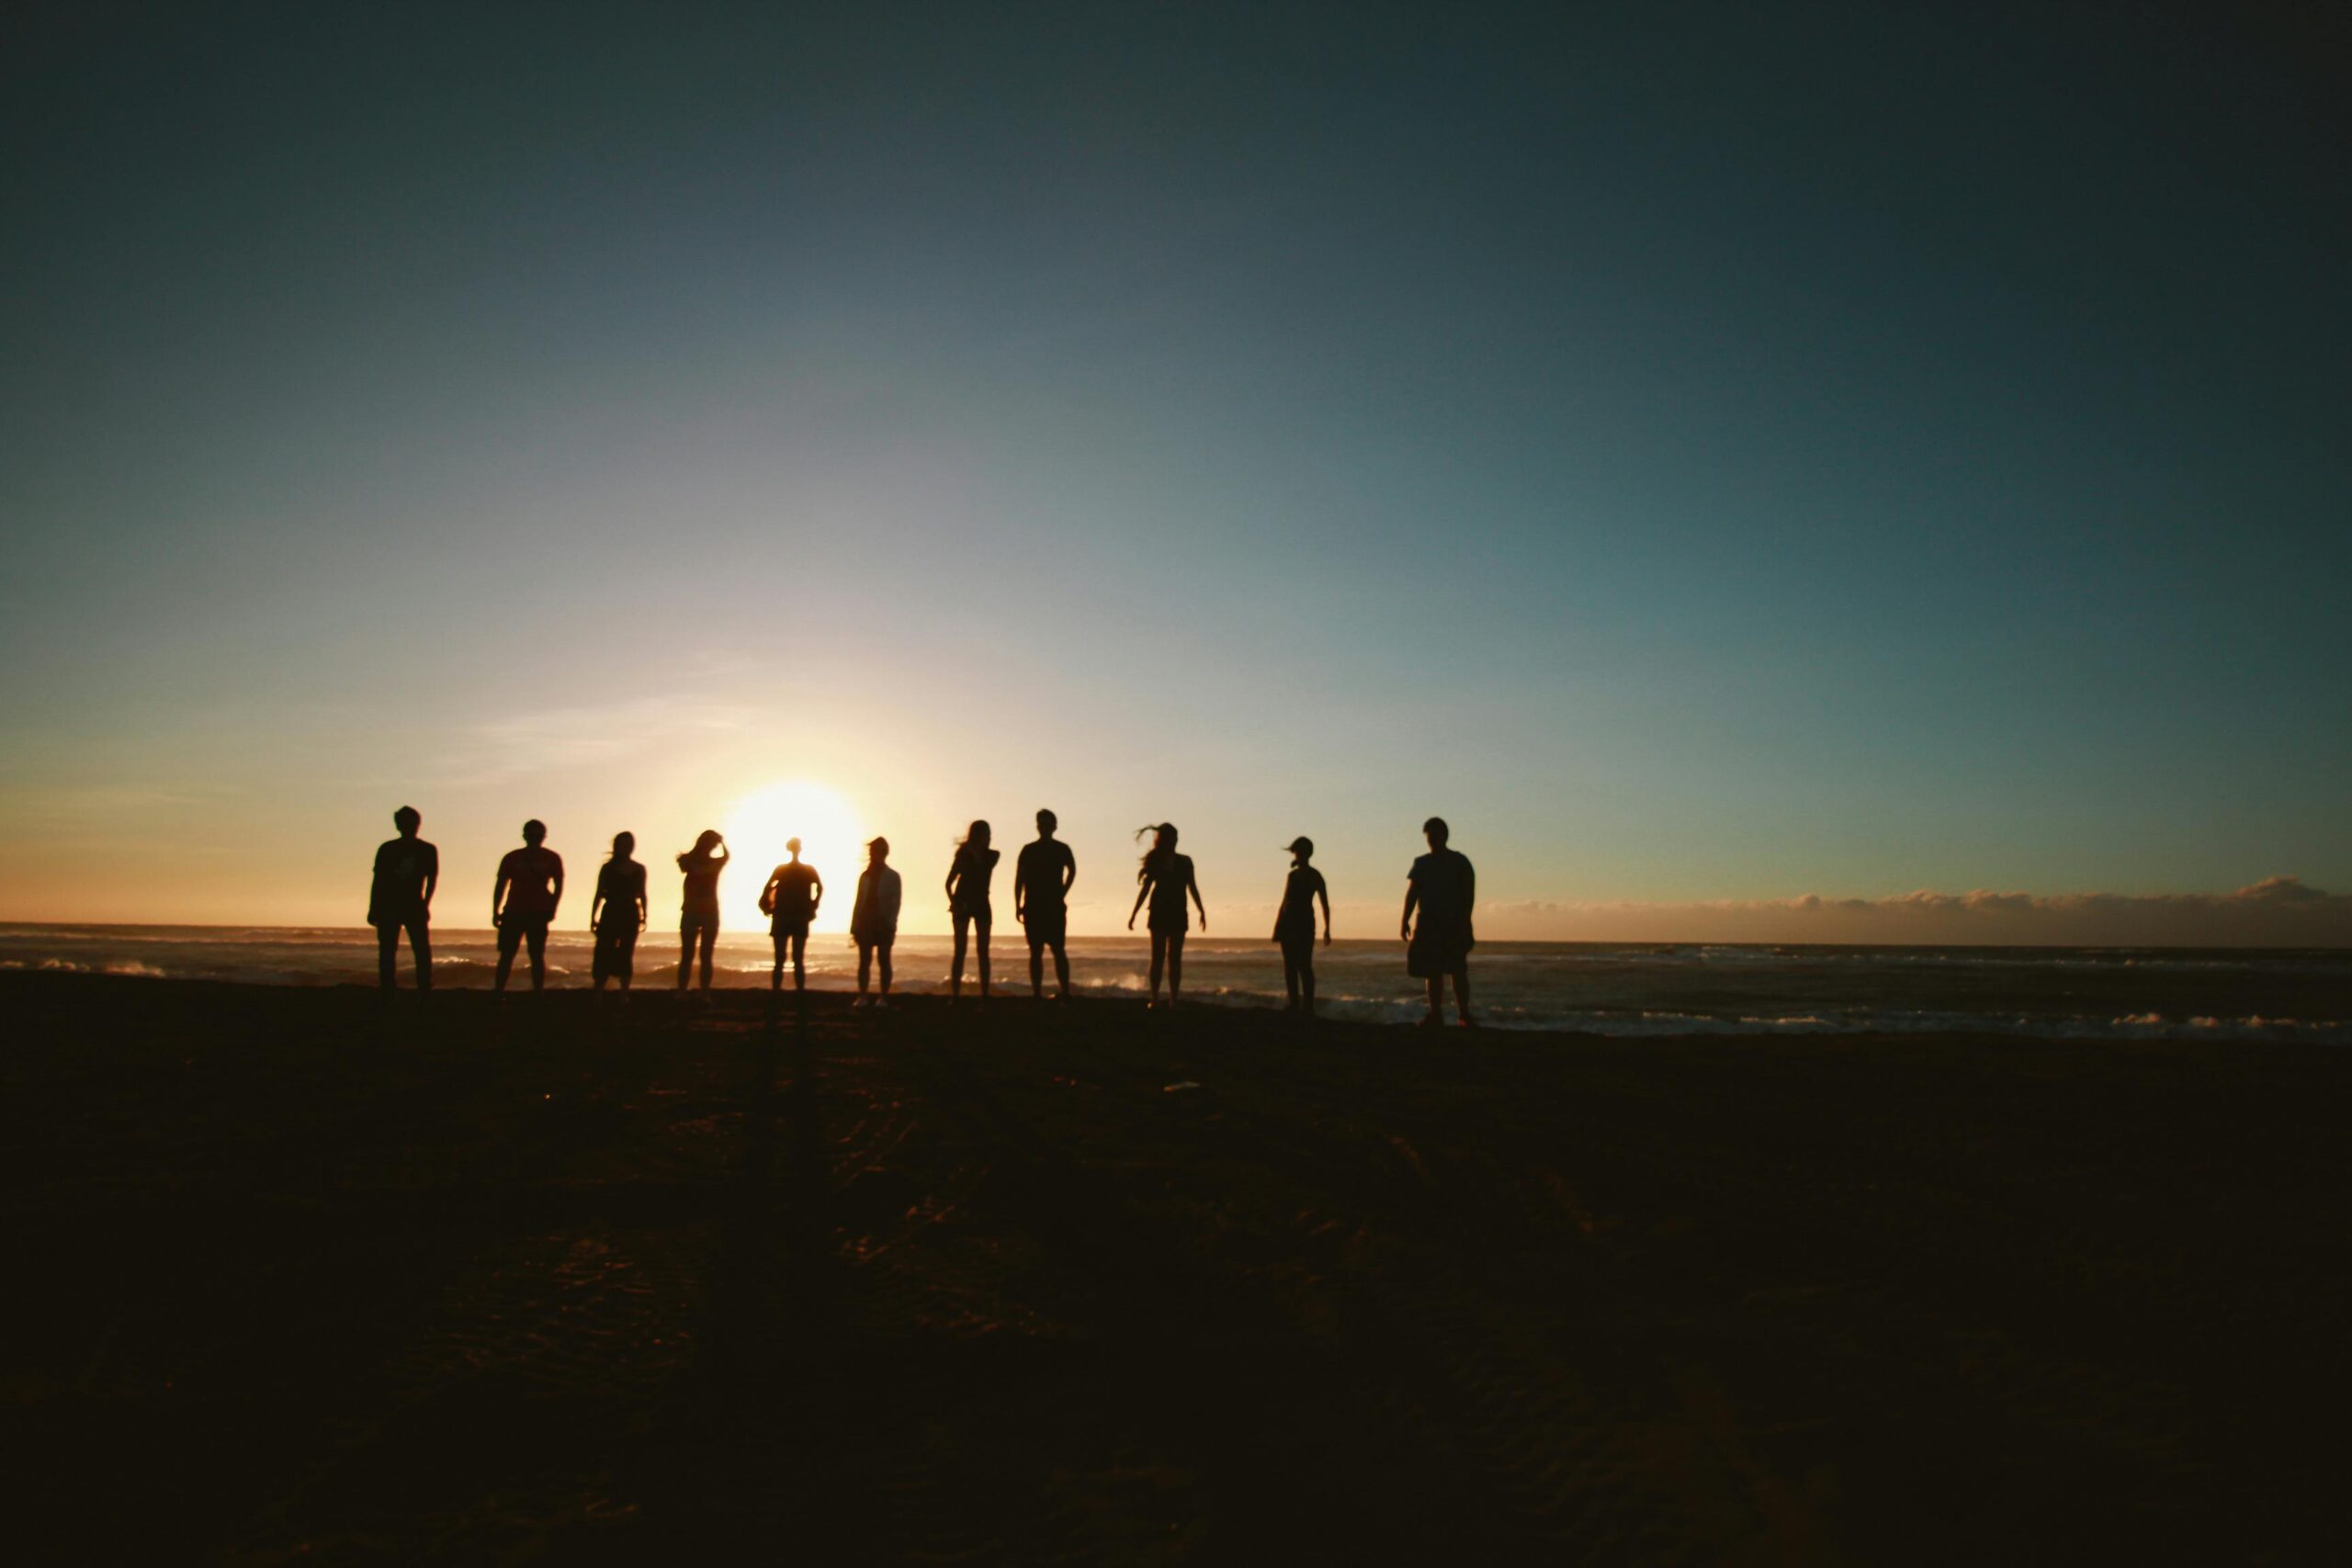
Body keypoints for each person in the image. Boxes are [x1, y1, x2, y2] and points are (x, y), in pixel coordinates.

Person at [1401, 816, 1476, 1026]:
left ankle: (1464, 1014)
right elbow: (1412, 893)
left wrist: (1465, 921)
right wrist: (1404, 920)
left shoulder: (1460, 862)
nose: (1431, 840)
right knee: (1432, 971)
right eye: (1428, 837)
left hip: (1453, 922)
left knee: (1458, 969)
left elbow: (1468, 894)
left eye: (1434, 836)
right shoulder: (1422, 863)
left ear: (1444, 836)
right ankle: (1436, 1014)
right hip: (1428, 922)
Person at [1126, 822, 1204, 1009]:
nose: (1175, 841)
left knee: (1175, 958)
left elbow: (1192, 887)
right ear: (1165, 840)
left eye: (1176, 837)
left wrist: (1201, 910)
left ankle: (1173, 1000)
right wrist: (1134, 913)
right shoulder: (1155, 860)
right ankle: (1154, 998)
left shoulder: (1186, 861)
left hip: (1178, 911)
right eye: (1172, 837)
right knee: (1158, 957)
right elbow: (1146, 889)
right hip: (1159, 911)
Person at [368, 805, 438, 995]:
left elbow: (431, 880)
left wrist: (425, 904)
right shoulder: (421, 849)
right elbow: (379, 880)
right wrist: (374, 907)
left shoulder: (422, 849)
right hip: (398, 905)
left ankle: (414, 986)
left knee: (405, 949)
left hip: (407, 904)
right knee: (403, 949)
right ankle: (405, 987)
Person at [493, 819, 564, 994]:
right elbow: (501, 885)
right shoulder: (512, 857)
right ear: (525, 836)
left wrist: (553, 907)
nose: (535, 838)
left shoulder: (551, 858)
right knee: (508, 955)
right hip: (514, 911)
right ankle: (499, 991)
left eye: (538, 835)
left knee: (536, 955)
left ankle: (537, 992)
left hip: (537, 913)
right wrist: (495, 909)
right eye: (532, 835)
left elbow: (559, 884)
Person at [1014, 807, 1078, 1001]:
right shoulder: (1028, 850)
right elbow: (1020, 879)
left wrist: (1062, 892)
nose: (1045, 828)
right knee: (1036, 951)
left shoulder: (1062, 848)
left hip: (1053, 906)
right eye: (1042, 824)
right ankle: (1037, 993)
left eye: (1048, 825)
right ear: (1038, 826)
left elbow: (1072, 871)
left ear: (1055, 826)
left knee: (1058, 950)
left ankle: (1065, 992)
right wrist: (1017, 904)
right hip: (1033, 905)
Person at [1272, 836, 1332, 1016]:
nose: (1298, 855)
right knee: (1290, 965)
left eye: (1300, 852)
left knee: (1304, 965)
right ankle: (1294, 1004)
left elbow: (1324, 904)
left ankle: (1308, 1006)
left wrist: (1327, 929)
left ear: (1307, 854)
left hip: (1305, 923)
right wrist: (1277, 925)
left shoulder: (1315, 875)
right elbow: (1284, 901)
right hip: (1289, 922)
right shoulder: (1292, 875)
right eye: (1296, 852)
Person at [944, 820, 999, 1002]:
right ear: (978, 835)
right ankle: (955, 995)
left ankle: (985, 995)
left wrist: (971, 852)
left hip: (981, 902)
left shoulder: (992, 855)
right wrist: (954, 903)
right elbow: (948, 883)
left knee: (983, 951)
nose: (989, 838)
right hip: (963, 902)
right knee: (960, 951)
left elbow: (984, 865)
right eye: (986, 834)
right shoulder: (962, 855)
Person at [759, 837, 822, 993]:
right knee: (797, 959)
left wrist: (766, 905)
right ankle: (798, 992)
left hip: (783, 916)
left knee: (780, 959)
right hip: (797, 917)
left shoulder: (782, 869)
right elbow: (820, 887)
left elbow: (768, 887)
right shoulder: (807, 869)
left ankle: (777, 991)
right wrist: (813, 904)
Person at [590, 831, 648, 998]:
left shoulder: (639, 869)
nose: (627, 847)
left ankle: (624, 994)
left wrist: (645, 915)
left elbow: (642, 893)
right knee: (603, 951)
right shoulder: (607, 868)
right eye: (624, 844)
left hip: (630, 912)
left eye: (630, 844)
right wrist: (592, 917)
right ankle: (598, 992)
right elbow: (599, 893)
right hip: (611, 911)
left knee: (626, 952)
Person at [850, 837, 902, 1009]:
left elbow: (896, 903)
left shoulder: (893, 876)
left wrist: (892, 923)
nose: (874, 855)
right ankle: (863, 996)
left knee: (884, 960)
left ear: (884, 853)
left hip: (883, 922)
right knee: (864, 960)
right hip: (865, 922)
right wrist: (854, 925)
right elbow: (858, 901)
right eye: (873, 851)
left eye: (878, 851)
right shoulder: (864, 876)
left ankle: (883, 997)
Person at [675, 829, 729, 995]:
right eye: (711, 843)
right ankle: (683, 991)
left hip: (709, 911)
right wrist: (718, 843)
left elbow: (727, 856)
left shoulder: (714, 863)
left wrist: (722, 842)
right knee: (688, 955)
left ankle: (703, 992)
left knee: (705, 955)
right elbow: (683, 864)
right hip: (692, 910)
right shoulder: (690, 861)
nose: (712, 847)